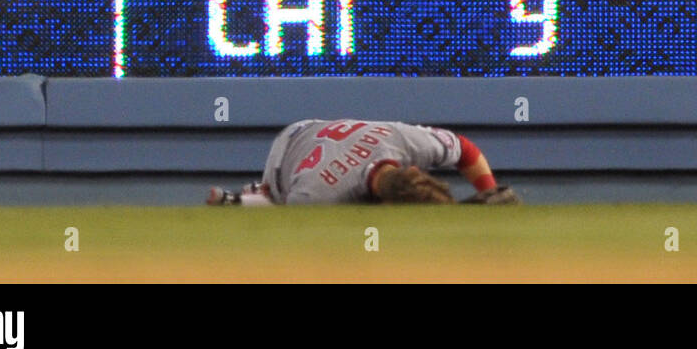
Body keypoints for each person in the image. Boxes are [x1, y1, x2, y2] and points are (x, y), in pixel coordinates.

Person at [207, 117, 517, 205]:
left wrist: (486, 190)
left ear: (410, 168)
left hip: (320, 130)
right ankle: (247, 198)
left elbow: (465, 150)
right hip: (286, 153)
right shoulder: (315, 195)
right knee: (277, 199)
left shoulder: (405, 140)